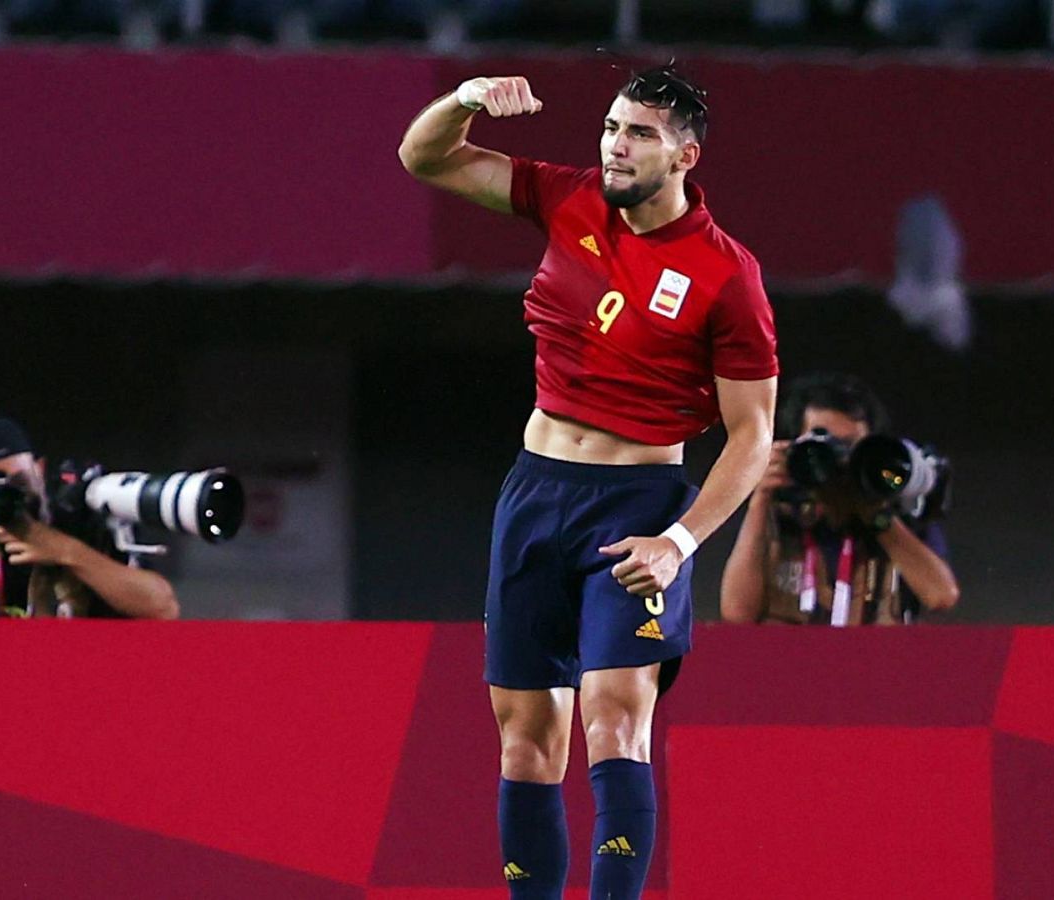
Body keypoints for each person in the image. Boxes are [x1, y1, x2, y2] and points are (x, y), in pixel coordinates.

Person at [399, 65, 777, 899]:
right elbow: (425, 159)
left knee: (614, 720)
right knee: (526, 740)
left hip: (638, 510)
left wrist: (679, 543)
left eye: (638, 133)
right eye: (610, 127)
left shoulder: (727, 276)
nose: (614, 144)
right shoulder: (568, 200)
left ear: (684, 156)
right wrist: (464, 99)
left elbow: (753, 438)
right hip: (536, 494)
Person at [0, 416, 179, 619]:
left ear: (39, 468)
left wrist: (66, 551)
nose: (7, 497)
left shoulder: (79, 518)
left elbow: (162, 607)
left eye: (17, 482)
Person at [720, 373, 958, 624]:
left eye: (850, 445)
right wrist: (760, 500)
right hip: (789, 659)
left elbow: (941, 596)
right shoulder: (780, 512)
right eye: (821, 441)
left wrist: (877, 517)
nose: (837, 458)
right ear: (795, 444)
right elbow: (737, 613)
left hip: (876, 660)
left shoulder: (898, 510)